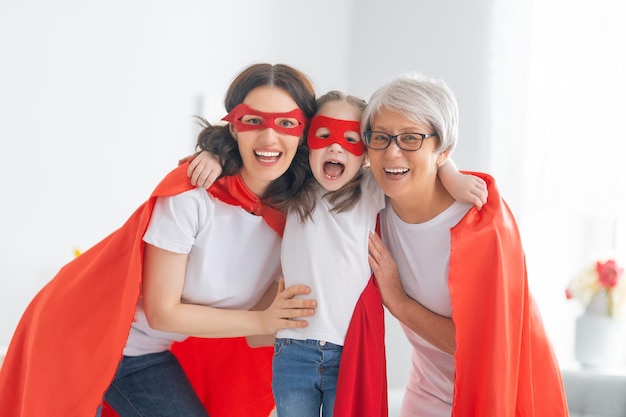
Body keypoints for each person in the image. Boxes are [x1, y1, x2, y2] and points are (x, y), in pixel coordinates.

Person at [0, 63, 319, 417]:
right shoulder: (191, 195)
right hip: (82, 333)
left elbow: (258, 336)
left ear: (304, 134)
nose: (269, 138)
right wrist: (264, 322)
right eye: (253, 121)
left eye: (287, 123)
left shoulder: (295, 219)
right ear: (232, 126)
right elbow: (161, 312)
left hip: (143, 351)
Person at [188, 90, 487, 417]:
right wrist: (213, 156)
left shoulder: (372, 188)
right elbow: (254, 156)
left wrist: (454, 177)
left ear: (367, 153)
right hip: (292, 349)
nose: (335, 146)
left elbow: (426, 155)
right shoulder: (293, 186)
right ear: (308, 142)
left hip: (347, 354)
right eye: (324, 135)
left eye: (350, 139)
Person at [364, 73, 569, 416]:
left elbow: (484, 347)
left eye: (411, 138)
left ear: (443, 150)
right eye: (381, 137)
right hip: (426, 394)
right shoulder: (369, 207)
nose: (392, 152)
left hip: (505, 396)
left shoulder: (483, 224)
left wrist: (398, 302)